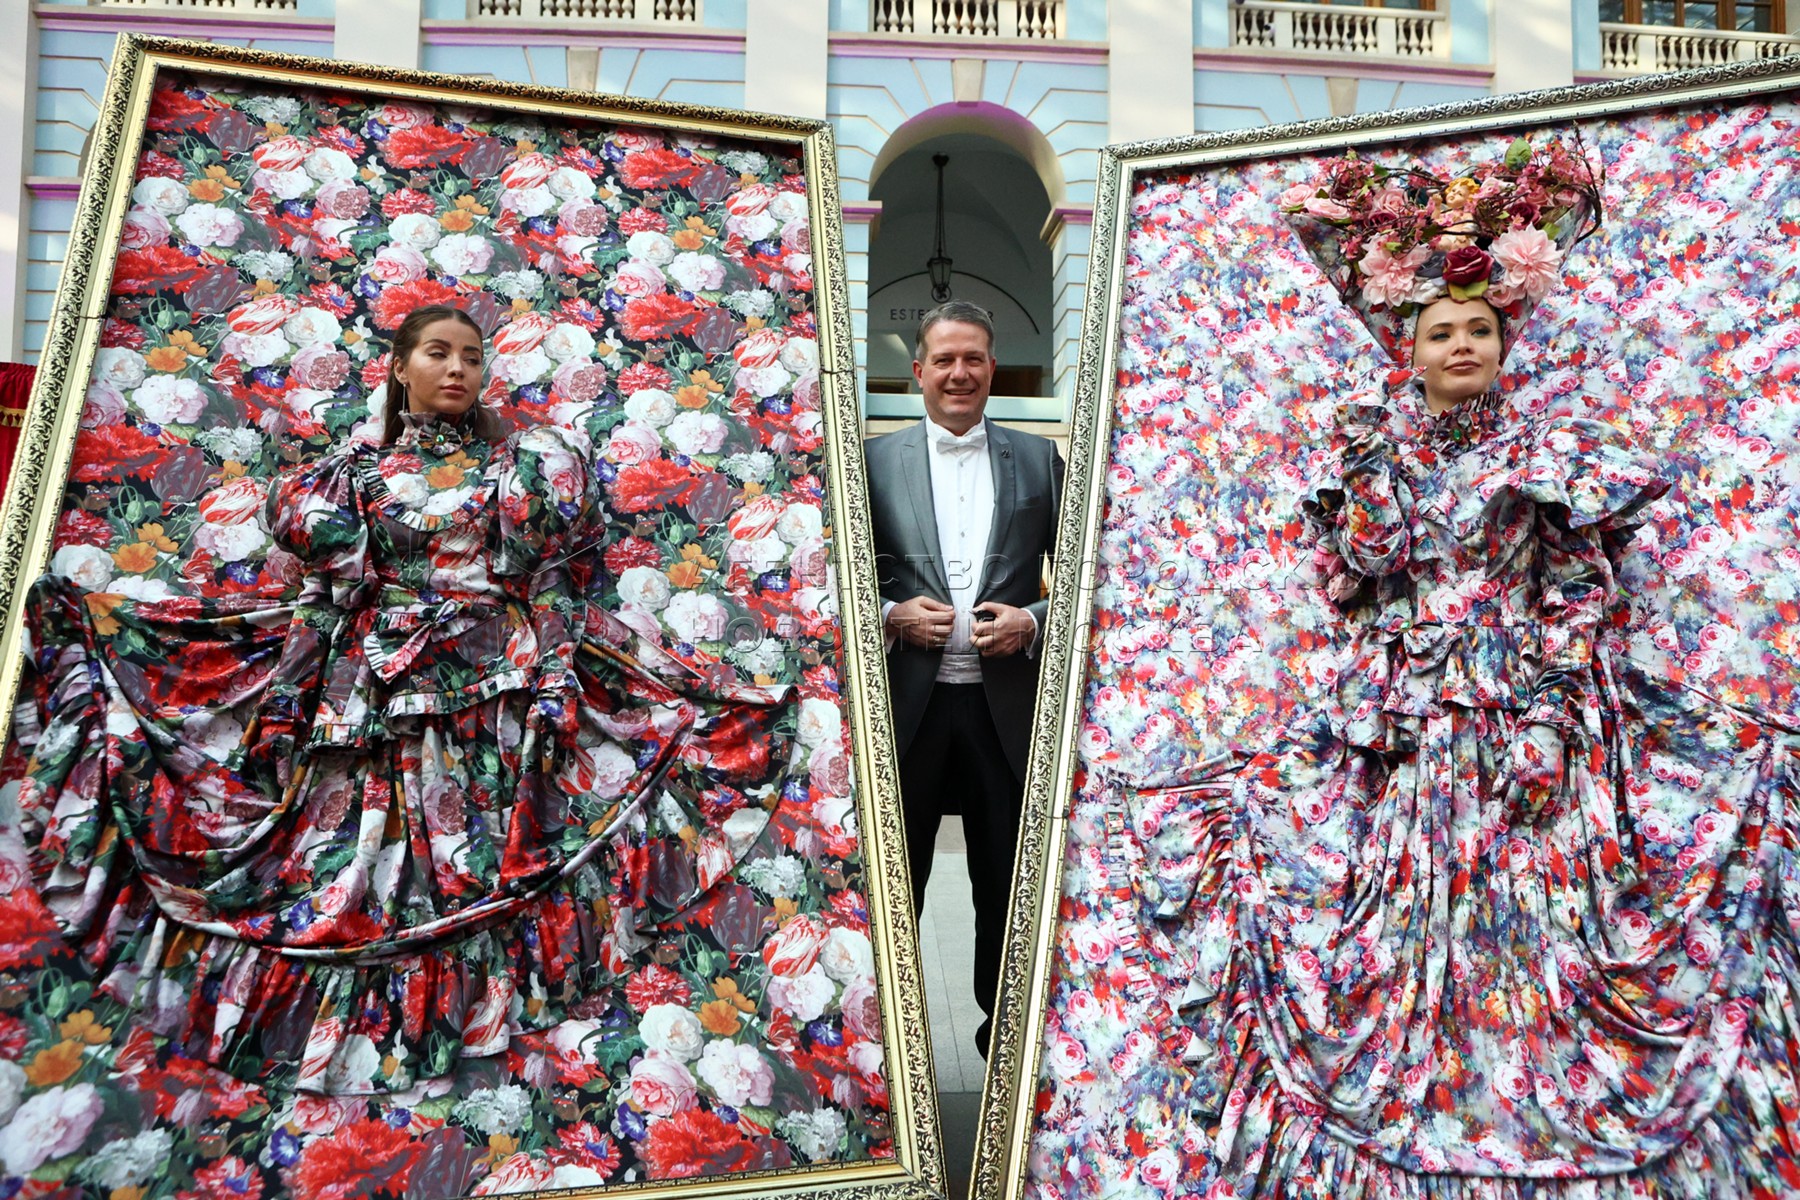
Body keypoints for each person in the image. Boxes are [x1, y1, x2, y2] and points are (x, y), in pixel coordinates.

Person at [1161, 142, 1800, 1196]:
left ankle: (1524, 1125)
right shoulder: (1379, 448)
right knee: (1411, 923)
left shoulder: (1549, 452)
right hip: (1411, 723)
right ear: (1408, 350)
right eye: (1440, 331)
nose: (1462, 344)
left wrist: (1548, 718)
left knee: (1530, 921)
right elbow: (1367, 566)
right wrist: (1370, 461)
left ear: (1504, 343)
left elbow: (1579, 595)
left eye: (1479, 330)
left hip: (1520, 712)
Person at [10, 304, 794, 1117]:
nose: (457, 369)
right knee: (357, 883)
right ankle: (376, 1059)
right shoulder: (345, 481)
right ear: (398, 366)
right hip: (376, 705)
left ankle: (484, 1059)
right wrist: (283, 706)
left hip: (497, 702)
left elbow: (551, 585)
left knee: (482, 874)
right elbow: (324, 601)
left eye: (472, 356)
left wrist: (558, 679)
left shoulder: (526, 470)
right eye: (438, 353)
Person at [864, 299, 1063, 1058]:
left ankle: (1003, 1050)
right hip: (901, 712)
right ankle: (884, 1046)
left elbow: (1089, 573)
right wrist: (889, 615)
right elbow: (832, 571)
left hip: (1004, 712)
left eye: (973, 358)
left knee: (1008, 886)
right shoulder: (868, 460)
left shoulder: (1040, 461)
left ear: (992, 368)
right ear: (918, 370)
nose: (959, 373)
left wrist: (1032, 621)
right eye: (944, 359)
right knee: (890, 883)